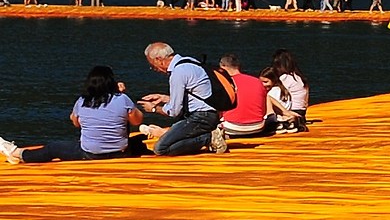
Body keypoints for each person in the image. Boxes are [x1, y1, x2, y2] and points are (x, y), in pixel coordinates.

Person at [1, 66, 145, 163]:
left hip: (90, 154)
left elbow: (76, 123)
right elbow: (137, 121)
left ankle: (19, 154)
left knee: (53, 148)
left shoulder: (82, 101)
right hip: (120, 153)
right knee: (137, 139)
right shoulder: (122, 99)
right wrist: (122, 95)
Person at [139, 42, 229, 156]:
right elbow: (195, 95)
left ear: (159, 59)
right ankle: (208, 136)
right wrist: (164, 98)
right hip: (211, 114)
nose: (154, 69)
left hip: (201, 118)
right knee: (173, 140)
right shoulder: (190, 62)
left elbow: (174, 111)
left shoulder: (178, 72)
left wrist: (154, 109)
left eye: (152, 65)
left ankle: (208, 138)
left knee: (161, 148)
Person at [216, 54, 276, 138]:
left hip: (232, 128)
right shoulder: (257, 82)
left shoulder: (225, 83)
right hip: (257, 127)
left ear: (223, 66)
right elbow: (263, 110)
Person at [266, 49, 312, 131]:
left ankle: (277, 118)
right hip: (301, 112)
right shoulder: (299, 78)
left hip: (292, 112)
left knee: (267, 97)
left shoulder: (285, 78)